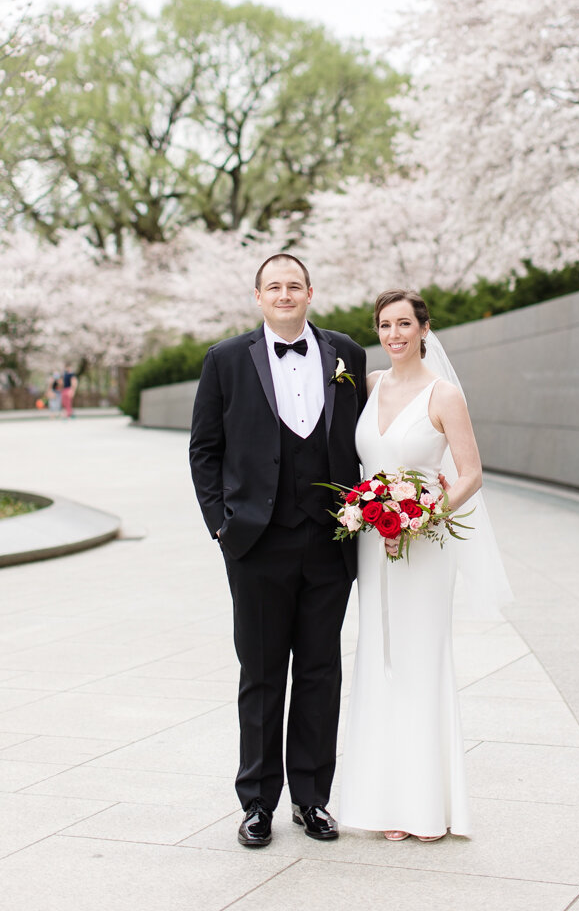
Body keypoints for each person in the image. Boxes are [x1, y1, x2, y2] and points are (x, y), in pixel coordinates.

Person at [189, 254, 367, 848]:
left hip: (330, 540)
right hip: (256, 544)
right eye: (274, 287)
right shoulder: (224, 360)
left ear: (310, 292)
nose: (285, 294)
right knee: (261, 675)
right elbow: (204, 450)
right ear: (257, 297)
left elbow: (363, 440)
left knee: (321, 672)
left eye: (294, 285)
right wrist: (222, 525)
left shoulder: (347, 353)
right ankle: (257, 802)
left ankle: (312, 799)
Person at [339, 288, 512, 842]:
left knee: (419, 660)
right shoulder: (369, 387)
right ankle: (381, 800)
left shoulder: (444, 395)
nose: (394, 335)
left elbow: (470, 473)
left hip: (423, 542)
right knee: (379, 656)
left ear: (424, 328)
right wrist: (372, 512)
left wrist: (420, 515)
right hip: (373, 542)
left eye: (404, 325)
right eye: (385, 325)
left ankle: (424, 807)